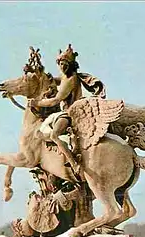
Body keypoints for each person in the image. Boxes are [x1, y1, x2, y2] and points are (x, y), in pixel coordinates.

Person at [29, 44, 105, 177]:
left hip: (69, 113)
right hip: (63, 112)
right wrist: (40, 73)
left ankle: (74, 163)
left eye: (65, 64)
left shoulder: (71, 79)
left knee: (54, 135)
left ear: (71, 65)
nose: (62, 67)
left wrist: (37, 102)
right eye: (61, 64)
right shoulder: (64, 76)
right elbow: (53, 79)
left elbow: (56, 100)